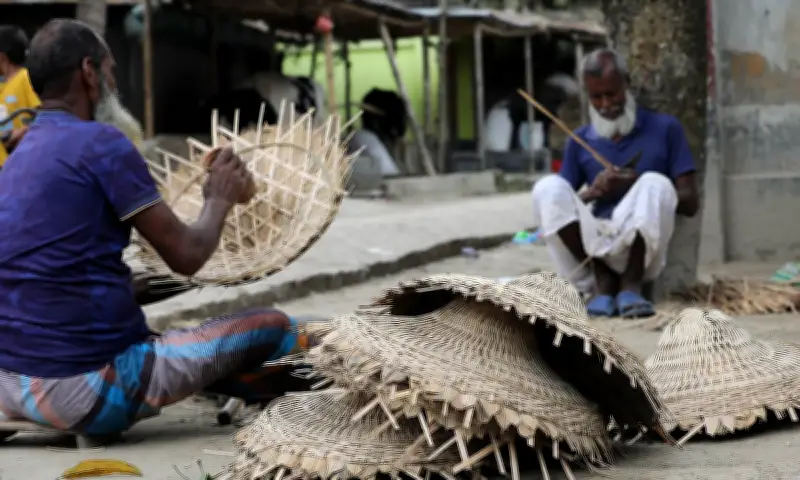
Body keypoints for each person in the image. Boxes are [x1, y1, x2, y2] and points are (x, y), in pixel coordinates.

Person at [0, 19, 314, 439]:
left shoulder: (20, 154)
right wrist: (219, 197)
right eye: (110, 71)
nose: (115, 82)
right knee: (272, 327)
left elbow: (65, 276)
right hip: (87, 391)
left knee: (191, 350)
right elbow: (187, 255)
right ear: (89, 73)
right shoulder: (102, 145)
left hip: (12, 382)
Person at [530, 48, 700, 319]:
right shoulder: (579, 140)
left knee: (654, 181)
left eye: (612, 93)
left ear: (627, 85)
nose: (606, 104)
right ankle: (603, 281)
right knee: (546, 187)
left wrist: (638, 187)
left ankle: (631, 285)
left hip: (641, 247)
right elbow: (561, 204)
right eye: (597, 97)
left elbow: (691, 202)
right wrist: (594, 192)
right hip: (591, 249)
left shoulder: (665, 128)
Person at [0, 25, 40, 166]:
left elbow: (44, 113)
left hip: (18, 161)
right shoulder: (3, 85)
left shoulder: (25, 78)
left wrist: (22, 132)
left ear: (2, 57)